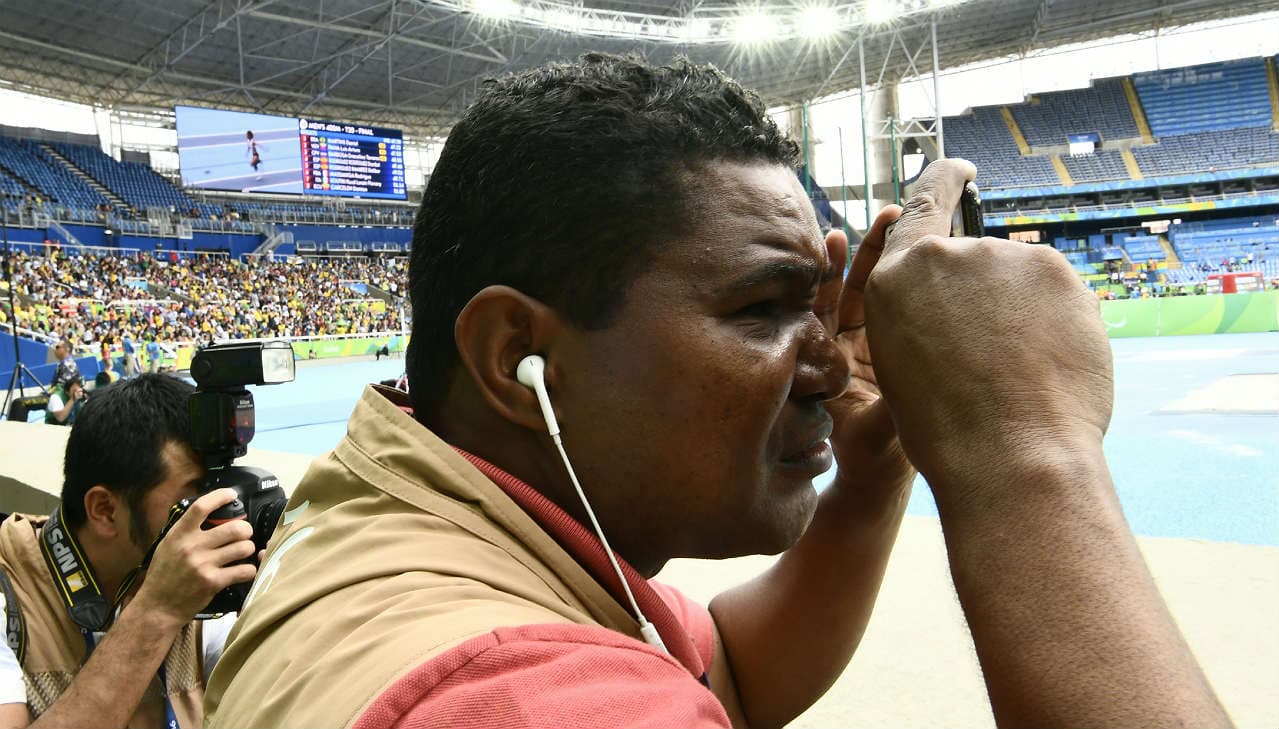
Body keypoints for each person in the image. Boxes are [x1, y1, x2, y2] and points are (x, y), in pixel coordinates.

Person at [206, 55, 1230, 729]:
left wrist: (875, 466)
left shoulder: (404, 523)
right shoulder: (518, 699)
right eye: (766, 307)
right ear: (517, 352)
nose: (827, 360)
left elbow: (724, 668)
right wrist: (1026, 456)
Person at [0, 374, 258, 729]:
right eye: (192, 497)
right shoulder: (9, 595)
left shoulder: (191, 583)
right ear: (105, 510)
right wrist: (157, 609)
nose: (217, 514)